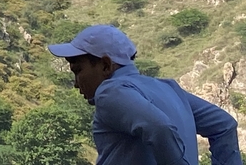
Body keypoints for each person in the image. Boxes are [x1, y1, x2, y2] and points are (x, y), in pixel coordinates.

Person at [49, 24, 242, 165]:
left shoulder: (109, 92)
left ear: (106, 65)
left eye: (77, 71)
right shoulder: (169, 88)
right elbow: (224, 125)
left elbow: (158, 127)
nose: (76, 84)